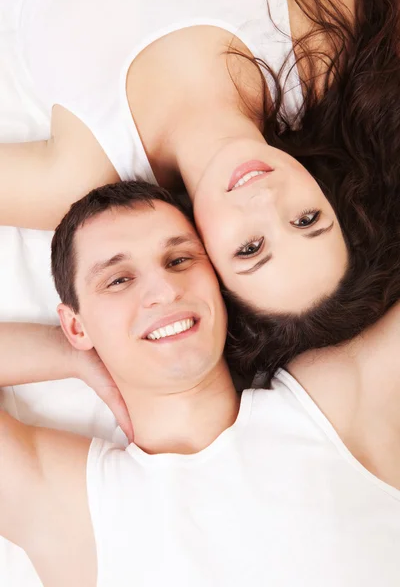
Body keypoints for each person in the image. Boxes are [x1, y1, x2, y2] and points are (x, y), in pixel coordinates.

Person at [1, 180, 399, 587]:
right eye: (118, 280)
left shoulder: (332, 411)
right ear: (74, 323)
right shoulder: (74, 506)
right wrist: (75, 353)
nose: (166, 291)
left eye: (179, 260)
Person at [1, 0, 399, 346]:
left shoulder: (80, 176)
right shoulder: (319, 48)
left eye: (249, 248)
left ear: (205, 261)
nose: (265, 200)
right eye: (307, 219)